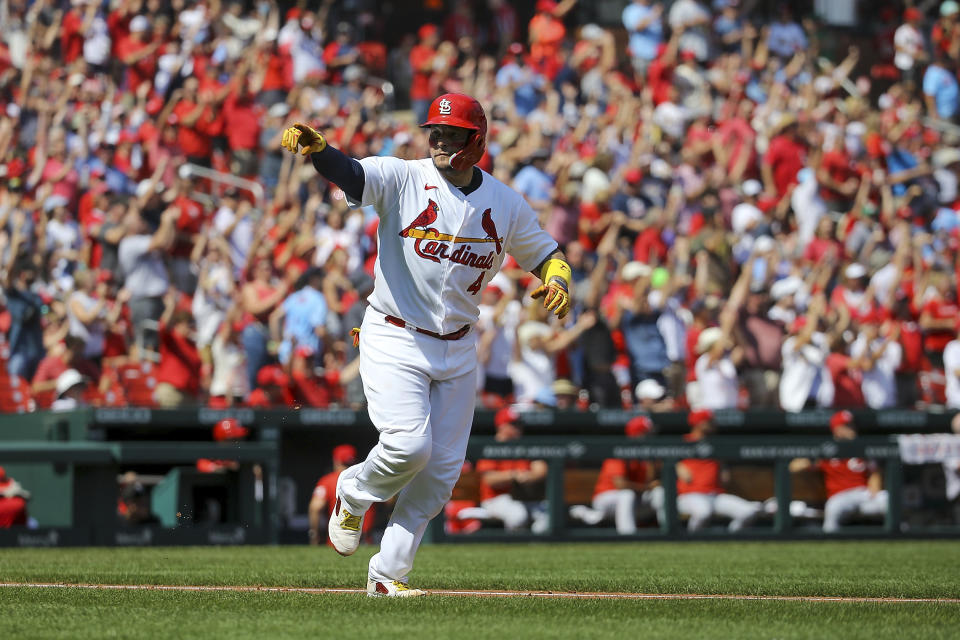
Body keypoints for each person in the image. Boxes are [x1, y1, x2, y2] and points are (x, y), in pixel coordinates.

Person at [281, 93, 572, 597]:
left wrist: (560, 279)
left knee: (440, 473)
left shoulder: (504, 202)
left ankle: (388, 576)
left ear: (475, 140)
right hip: (394, 332)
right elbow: (353, 175)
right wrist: (320, 153)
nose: (438, 140)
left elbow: (544, 252)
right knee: (408, 445)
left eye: (451, 132)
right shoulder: (403, 176)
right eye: (434, 131)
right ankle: (352, 491)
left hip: (458, 347)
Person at [660, 409, 764, 531]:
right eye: (709, 422)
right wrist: (676, 465)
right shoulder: (683, 442)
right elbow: (663, 460)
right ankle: (692, 542)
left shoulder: (716, 444)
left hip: (715, 495)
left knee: (748, 512)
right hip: (690, 495)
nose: (713, 424)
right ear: (699, 423)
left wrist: (723, 469)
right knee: (703, 513)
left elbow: (724, 475)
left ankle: (730, 540)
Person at [789, 411, 889, 532]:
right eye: (847, 425)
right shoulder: (827, 450)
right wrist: (813, 457)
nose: (852, 429)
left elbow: (875, 472)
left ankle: (902, 537)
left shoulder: (861, 448)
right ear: (836, 429)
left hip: (864, 494)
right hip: (840, 496)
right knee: (833, 507)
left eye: (852, 425)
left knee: (888, 499)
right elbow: (793, 467)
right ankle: (829, 543)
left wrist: (874, 492)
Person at [569, 415, 657, 534]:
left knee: (658, 494)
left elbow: (649, 482)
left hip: (634, 499)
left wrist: (649, 461)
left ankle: (668, 535)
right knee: (627, 495)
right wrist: (647, 488)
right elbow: (620, 484)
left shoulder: (647, 455)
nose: (650, 437)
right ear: (638, 435)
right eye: (646, 434)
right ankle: (628, 536)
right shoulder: (619, 450)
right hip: (606, 498)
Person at [474, 407, 548, 533]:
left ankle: (535, 548)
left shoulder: (524, 446)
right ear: (501, 426)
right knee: (518, 515)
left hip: (522, 498)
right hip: (495, 499)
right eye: (514, 424)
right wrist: (513, 476)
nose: (518, 428)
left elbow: (541, 469)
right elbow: (489, 479)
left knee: (547, 517)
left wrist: (528, 476)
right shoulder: (490, 447)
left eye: (519, 424)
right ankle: (513, 548)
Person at [308, 444, 375, 546]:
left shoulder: (327, 481)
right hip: (366, 540)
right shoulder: (368, 479)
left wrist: (315, 535)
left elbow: (315, 508)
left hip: (338, 541)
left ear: (336, 460)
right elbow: (390, 501)